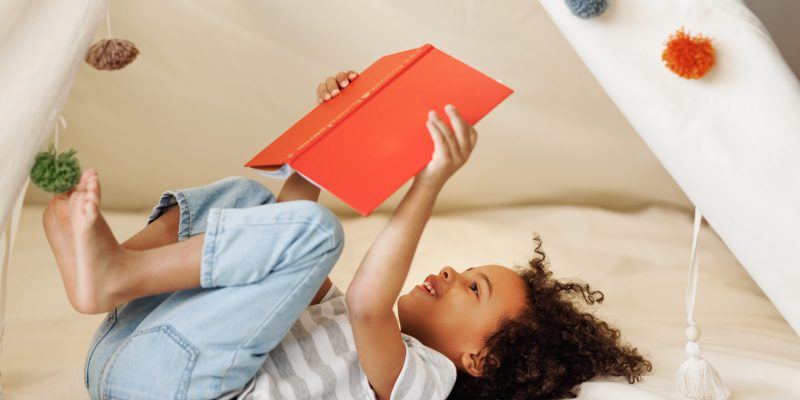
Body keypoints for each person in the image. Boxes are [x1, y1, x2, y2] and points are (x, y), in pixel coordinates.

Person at [42, 70, 652, 400]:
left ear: (480, 360)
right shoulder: (329, 317)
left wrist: (432, 180)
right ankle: (114, 271)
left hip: (176, 386)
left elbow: (368, 302)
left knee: (315, 236)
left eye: (473, 288)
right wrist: (334, 131)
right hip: (126, 356)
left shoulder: (420, 382)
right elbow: (274, 231)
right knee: (253, 202)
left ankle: (114, 276)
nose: (447, 273)